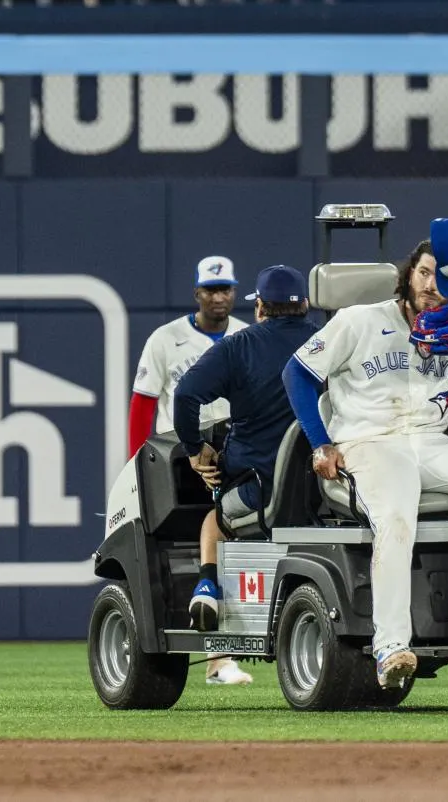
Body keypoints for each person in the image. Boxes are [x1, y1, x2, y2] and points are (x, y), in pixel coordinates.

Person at [281, 218, 448, 690]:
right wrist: (321, 441)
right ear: (408, 274)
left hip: (430, 443)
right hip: (369, 444)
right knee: (398, 514)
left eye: (439, 277)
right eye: (423, 273)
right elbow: (297, 373)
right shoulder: (360, 319)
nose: (430, 284)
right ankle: (391, 646)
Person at [173, 265, 319, 685]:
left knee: (214, 520)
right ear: (305, 305)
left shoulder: (239, 346)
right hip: (330, 492)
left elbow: (185, 395)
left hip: (258, 492)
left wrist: (193, 448)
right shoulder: (326, 340)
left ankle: (206, 587)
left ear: (258, 307)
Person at [129, 256, 249, 459]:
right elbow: (143, 404)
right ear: (197, 294)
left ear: (234, 292)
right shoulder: (165, 338)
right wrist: (136, 461)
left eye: (225, 290)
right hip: (178, 449)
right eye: (210, 290)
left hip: (234, 447)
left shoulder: (246, 335)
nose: (219, 298)